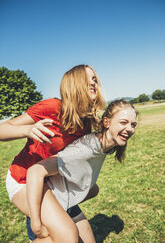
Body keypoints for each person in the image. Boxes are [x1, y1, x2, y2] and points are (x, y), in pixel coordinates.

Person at [6, 99, 138, 243]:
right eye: (123, 122)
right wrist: (36, 221)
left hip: (64, 199)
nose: (130, 129)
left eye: (133, 125)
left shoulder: (107, 146)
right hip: (45, 200)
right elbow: (35, 171)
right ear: (106, 122)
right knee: (68, 239)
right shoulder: (84, 149)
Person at [1, 65, 106, 241]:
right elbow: (3, 129)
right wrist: (27, 130)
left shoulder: (86, 123)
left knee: (87, 238)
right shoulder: (52, 107)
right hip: (24, 179)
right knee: (67, 235)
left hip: (53, 183)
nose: (94, 82)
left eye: (95, 78)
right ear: (74, 84)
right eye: (88, 79)